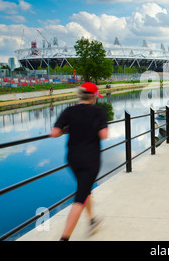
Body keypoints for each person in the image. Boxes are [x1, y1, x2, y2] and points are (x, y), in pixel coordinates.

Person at [50, 82, 108, 241]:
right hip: (91, 159)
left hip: (73, 158)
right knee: (80, 197)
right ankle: (64, 238)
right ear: (94, 96)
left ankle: (92, 221)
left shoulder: (69, 111)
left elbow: (54, 133)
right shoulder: (98, 112)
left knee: (85, 188)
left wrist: (70, 128)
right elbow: (104, 135)